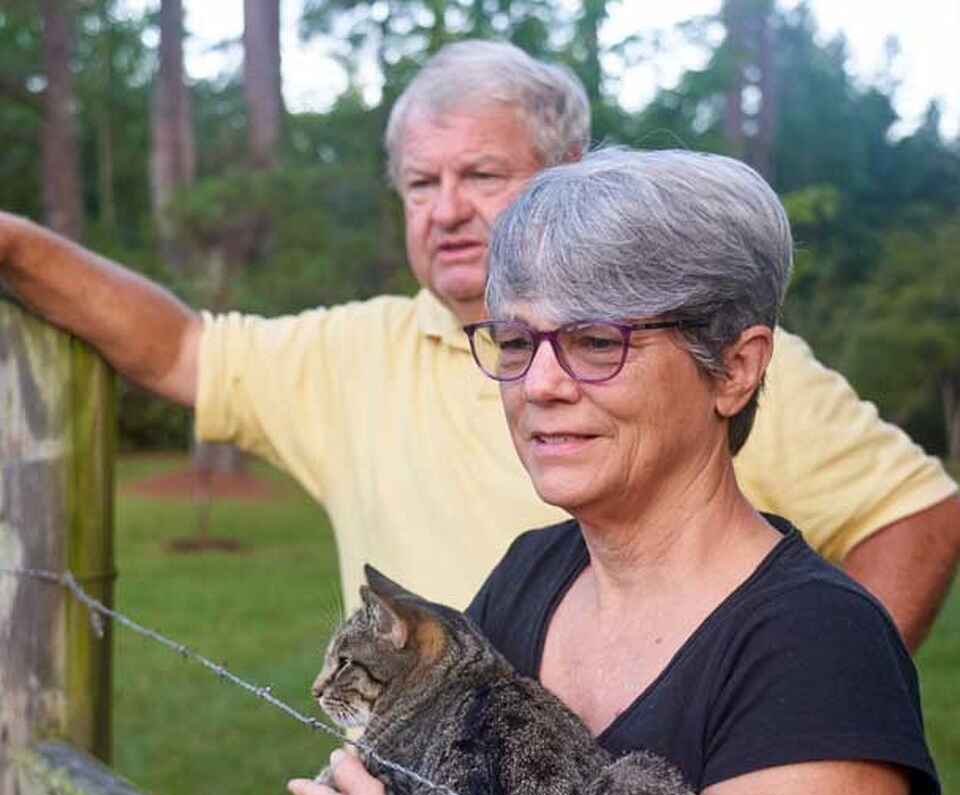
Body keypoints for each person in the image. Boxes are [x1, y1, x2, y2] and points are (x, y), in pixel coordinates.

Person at [289, 147, 940, 795]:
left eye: (600, 342)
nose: (541, 384)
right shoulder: (531, 573)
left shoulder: (816, 648)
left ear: (736, 370)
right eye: (516, 342)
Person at [0, 41, 957, 648]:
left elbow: (915, 514)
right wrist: (11, 242)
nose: (449, 210)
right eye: (422, 184)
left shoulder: (688, 357)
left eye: (483, 173)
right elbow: (173, 348)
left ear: (570, 176)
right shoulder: (350, 355)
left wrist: (809, 733)